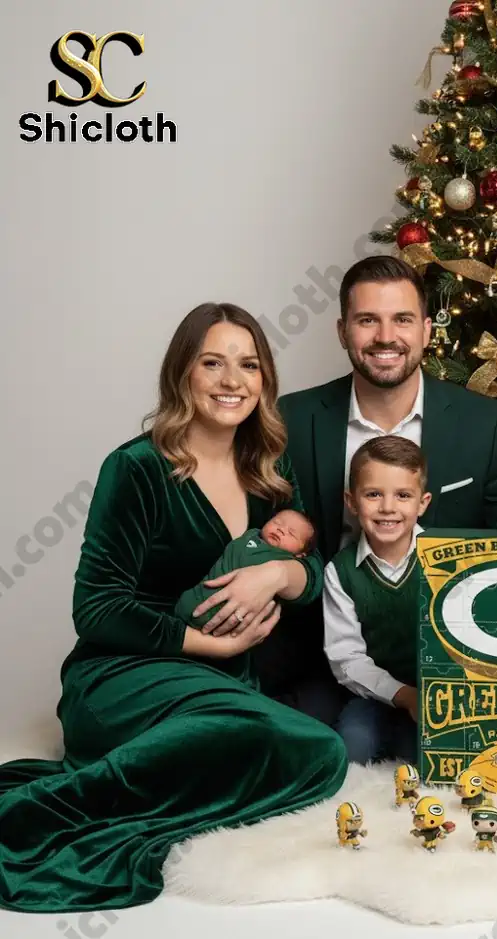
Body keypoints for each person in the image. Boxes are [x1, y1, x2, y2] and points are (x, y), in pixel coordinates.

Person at [0, 303, 348, 913]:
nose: (231, 381)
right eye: (212, 363)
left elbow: (315, 576)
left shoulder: (267, 469)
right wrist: (217, 645)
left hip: (222, 684)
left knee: (319, 756)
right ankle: (36, 814)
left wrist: (279, 572)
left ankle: (158, 764)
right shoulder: (136, 468)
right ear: (182, 373)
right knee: (292, 743)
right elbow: (98, 609)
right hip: (122, 676)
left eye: (248, 365)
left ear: (265, 379)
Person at [258, 254, 497, 720]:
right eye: (368, 320)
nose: (386, 337)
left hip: (447, 665)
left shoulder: (481, 423)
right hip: (316, 657)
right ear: (343, 330)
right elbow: (265, 532)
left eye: (402, 320)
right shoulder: (291, 418)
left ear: (426, 330)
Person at [323, 435, 431, 764]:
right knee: (353, 748)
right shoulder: (339, 571)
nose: (387, 507)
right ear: (352, 501)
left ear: (422, 503)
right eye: (373, 494)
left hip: (435, 695)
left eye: (403, 495)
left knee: (427, 759)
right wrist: (404, 696)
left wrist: (423, 698)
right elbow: (347, 659)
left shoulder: (443, 558)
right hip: (376, 694)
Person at [175, 508, 317, 629]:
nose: (280, 529)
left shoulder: (286, 559)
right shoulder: (251, 535)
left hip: (235, 617)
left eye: (291, 533)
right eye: (277, 522)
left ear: (300, 554)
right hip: (197, 595)